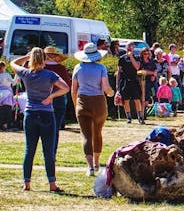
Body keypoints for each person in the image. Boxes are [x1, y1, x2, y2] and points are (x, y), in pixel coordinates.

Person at [10, 47, 69, 192]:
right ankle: (52, 184)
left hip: (30, 114)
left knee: (29, 150)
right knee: (48, 151)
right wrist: (50, 97)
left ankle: (27, 183)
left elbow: (13, 63)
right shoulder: (50, 74)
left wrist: (26, 56)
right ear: (44, 59)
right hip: (46, 113)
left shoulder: (26, 73)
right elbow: (65, 88)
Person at [71, 42, 115, 176]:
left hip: (82, 101)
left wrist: (75, 104)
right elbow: (106, 88)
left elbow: (74, 90)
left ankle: (89, 167)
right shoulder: (101, 68)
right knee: (97, 132)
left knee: (86, 135)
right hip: (98, 101)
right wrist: (112, 93)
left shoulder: (78, 68)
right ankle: (96, 163)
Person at [41, 46, 73, 154]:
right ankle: (52, 153)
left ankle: (45, 152)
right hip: (58, 98)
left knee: (44, 128)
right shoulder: (61, 68)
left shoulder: (41, 68)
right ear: (55, 56)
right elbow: (68, 85)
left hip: (43, 99)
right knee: (55, 128)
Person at [116, 41, 144, 124]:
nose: (129, 48)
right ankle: (128, 118)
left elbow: (137, 67)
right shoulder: (121, 58)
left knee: (136, 99)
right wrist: (117, 84)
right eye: (128, 46)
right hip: (124, 81)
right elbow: (118, 72)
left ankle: (140, 117)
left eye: (131, 46)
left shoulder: (136, 57)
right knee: (126, 100)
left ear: (133, 48)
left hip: (134, 81)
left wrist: (131, 57)